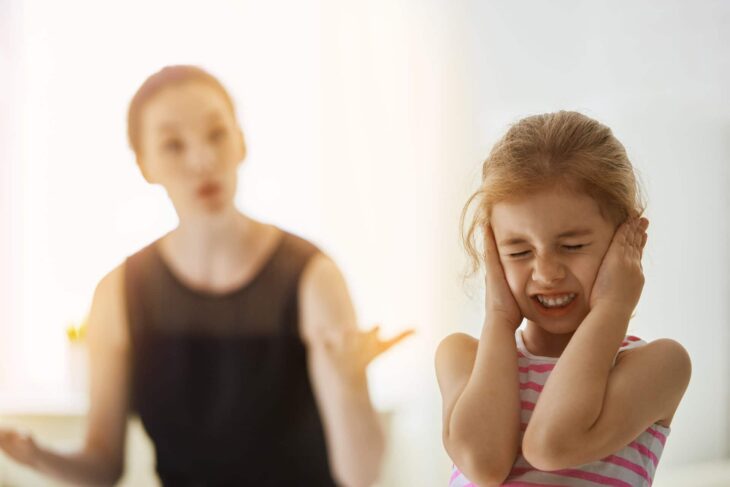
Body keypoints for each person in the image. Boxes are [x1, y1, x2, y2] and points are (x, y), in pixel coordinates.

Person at [0, 65, 411, 486]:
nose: (203, 160)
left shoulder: (313, 277)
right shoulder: (116, 294)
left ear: (242, 142)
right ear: (145, 165)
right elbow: (103, 466)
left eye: (217, 134)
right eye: (173, 145)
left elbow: (362, 477)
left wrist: (350, 383)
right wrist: (31, 454)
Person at [435, 111, 691, 486]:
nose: (546, 273)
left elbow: (551, 445)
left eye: (572, 246)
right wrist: (498, 316)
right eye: (519, 251)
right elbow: (484, 465)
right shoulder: (462, 359)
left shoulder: (658, 366)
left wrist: (613, 307)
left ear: (629, 236)